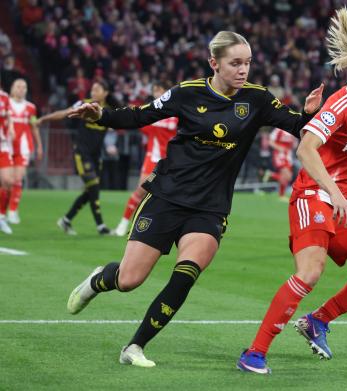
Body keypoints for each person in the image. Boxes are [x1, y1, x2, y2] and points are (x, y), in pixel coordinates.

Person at [65, 30, 324, 368]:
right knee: (129, 280)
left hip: (210, 207)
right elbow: (139, 115)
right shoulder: (187, 93)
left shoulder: (257, 99)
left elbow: (297, 128)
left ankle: (135, 347)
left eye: (247, 63)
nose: (243, 70)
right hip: (167, 196)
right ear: (214, 63)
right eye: (235, 63)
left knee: (186, 273)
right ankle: (99, 280)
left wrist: (308, 114)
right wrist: (101, 116)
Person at [237, 8, 347, 374]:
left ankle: (319, 321)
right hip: (314, 196)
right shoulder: (343, 103)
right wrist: (338, 193)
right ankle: (255, 352)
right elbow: (305, 149)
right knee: (310, 272)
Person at [37, 81, 115, 235]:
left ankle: (66, 220)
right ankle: (101, 226)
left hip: (96, 156)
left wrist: (111, 144)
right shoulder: (83, 105)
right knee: (93, 186)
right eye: (92, 89)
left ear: (105, 93)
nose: (93, 92)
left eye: (97, 89)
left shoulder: (109, 111)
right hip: (81, 153)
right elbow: (64, 113)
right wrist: (44, 119)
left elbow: (118, 127)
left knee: (90, 191)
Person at [114, 81, 178, 236]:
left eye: (159, 90)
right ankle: (123, 225)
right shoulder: (151, 113)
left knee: (171, 197)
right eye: (155, 90)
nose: (157, 93)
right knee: (140, 192)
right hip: (153, 158)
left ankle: (162, 228)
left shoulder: (176, 113)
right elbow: (137, 122)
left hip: (172, 161)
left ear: (166, 92)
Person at [0, 79, 42, 224]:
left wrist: (39, 145)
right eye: (18, 86)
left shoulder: (31, 107)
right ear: (12, 88)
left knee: (18, 179)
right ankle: (2, 212)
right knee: (6, 181)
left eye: (24, 87)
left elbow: (34, 127)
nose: (21, 89)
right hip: (6, 145)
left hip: (23, 146)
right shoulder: (5, 103)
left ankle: (12, 210)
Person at [264, 127, 298, 199]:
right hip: (279, 155)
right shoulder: (278, 130)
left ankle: (271, 175)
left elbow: (294, 145)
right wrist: (278, 147)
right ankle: (281, 195)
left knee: (288, 177)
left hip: (288, 157)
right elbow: (270, 141)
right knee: (286, 175)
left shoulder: (293, 131)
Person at [0, 82, 15, 234]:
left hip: (3, 145)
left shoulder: (4, 98)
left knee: (8, 182)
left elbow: (9, 116)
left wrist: (10, 128)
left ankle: (1, 217)